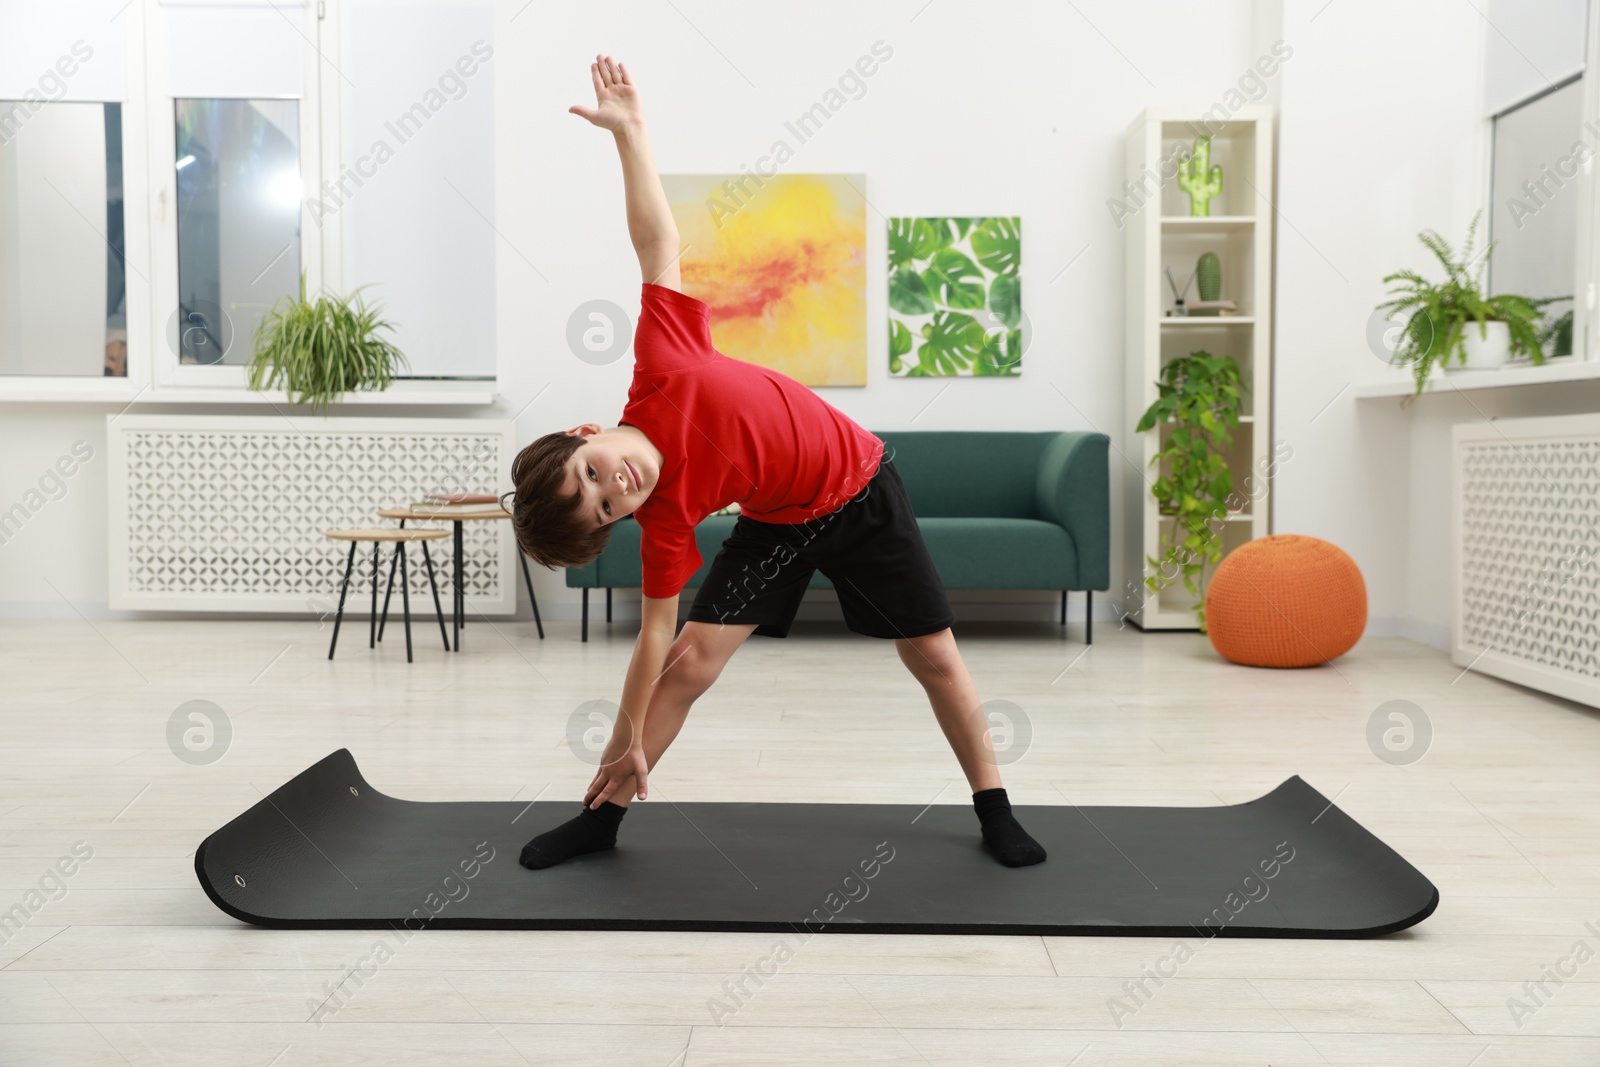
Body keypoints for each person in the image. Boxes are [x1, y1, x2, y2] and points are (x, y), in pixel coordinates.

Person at [505, 54, 1045, 871]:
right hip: (778, 525)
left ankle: (994, 803)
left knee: (932, 654)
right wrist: (622, 740)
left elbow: (657, 240)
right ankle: (602, 814)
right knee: (691, 662)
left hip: (861, 490)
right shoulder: (665, 520)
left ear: (589, 432)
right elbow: (656, 641)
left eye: (590, 474)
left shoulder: (663, 361)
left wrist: (630, 136)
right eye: (603, 510)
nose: (612, 488)